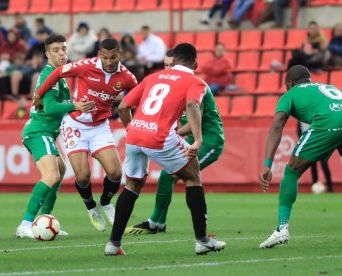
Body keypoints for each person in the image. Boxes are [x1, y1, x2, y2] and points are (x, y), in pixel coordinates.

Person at [104, 43, 226, 256]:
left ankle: (113, 244)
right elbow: (192, 105)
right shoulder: (195, 81)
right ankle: (202, 240)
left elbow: (123, 106)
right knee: (193, 177)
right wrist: (197, 140)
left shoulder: (153, 77)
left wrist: (131, 129)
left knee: (132, 186)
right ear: (195, 63)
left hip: (135, 135)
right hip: (161, 138)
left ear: (174, 61)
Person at [259, 65, 342, 248]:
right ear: (308, 78)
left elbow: (277, 125)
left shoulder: (290, 94)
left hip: (328, 122)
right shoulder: (328, 88)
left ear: (289, 82)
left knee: (292, 171)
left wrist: (267, 163)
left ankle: (281, 229)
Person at [34, 38, 137, 232]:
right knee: (83, 176)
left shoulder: (127, 77)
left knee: (115, 172)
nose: (109, 61)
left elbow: (137, 96)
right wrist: (39, 94)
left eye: (113, 57)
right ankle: (90, 206)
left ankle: (105, 202)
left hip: (99, 126)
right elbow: (57, 72)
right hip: (75, 124)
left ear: (120, 54)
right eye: (105, 57)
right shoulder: (86, 66)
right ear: (99, 55)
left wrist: (136, 122)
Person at [15, 33, 95, 238]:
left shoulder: (60, 76)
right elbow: (50, 107)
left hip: (47, 132)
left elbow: (63, 108)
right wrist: (76, 105)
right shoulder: (48, 75)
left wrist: (81, 107)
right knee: (50, 175)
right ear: (47, 54)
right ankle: (25, 224)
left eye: (64, 49)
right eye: (56, 50)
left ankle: (45, 220)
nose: (62, 53)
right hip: (38, 131)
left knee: (59, 171)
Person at [297, 122, 333, 192]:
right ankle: (314, 184)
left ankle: (330, 187)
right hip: (309, 144)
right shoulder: (301, 119)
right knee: (312, 165)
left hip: (320, 141)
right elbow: (299, 130)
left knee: (324, 164)